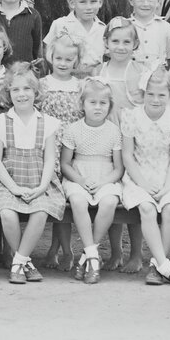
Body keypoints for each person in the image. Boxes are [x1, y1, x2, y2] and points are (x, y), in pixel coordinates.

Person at [120, 67, 170, 287]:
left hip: (168, 175)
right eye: (151, 94)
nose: (155, 99)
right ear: (143, 93)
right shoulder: (131, 116)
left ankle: (156, 265)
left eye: (161, 95)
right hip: (139, 174)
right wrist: (143, 184)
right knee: (147, 208)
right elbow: (127, 156)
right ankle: (165, 267)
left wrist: (166, 187)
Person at [0, 63, 65, 284]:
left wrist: (42, 186)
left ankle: (18, 261)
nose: (21, 94)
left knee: (40, 211)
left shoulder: (48, 123)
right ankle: (25, 262)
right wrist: (13, 187)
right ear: (8, 93)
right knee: (7, 213)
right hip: (9, 181)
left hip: (39, 181)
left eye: (27, 89)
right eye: (15, 89)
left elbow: (50, 159)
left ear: (36, 91)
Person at [60, 78, 124, 285]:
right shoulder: (73, 129)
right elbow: (65, 164)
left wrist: (104, 182)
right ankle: (93, 256)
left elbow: (118, 168)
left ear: (109, 106)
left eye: (103, 103)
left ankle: (88, 255)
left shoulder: (114, 131)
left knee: (110, 202)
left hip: (106, 177)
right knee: (77, 201)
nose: (98, 107)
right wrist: (79, 180)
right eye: (92, 102)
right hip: (79, 176)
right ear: (83, 104)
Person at [98, 16, 146, 273]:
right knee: (113, 194)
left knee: (133, 196)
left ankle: (136, 254)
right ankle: (115, 252)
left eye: (126, 42)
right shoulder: (99, 71)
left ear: (135, 44)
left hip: (133, 141)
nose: (120, 46)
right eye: (115, 41)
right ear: (106, 43)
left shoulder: (140, 72)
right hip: (107, 140)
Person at [38, 31, 84, 271]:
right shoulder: (42, 84)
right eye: (59, 58)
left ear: (76, 60)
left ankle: (61, 250)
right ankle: (61, 249)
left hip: (73, 149)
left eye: (69, 59)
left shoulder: (80, 86)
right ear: (51, 57)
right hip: (49, 149)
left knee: (68, 199)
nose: (63, 63)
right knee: (56, 199)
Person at [43, 0, 106, 76]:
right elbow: (47, 53)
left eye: (93, 1)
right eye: (83, 2)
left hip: (95, 82)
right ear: (72, 3)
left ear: (100, 2)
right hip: (66, 80)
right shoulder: (60, 25)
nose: (89, 7)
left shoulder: (103, 29)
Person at [127, 0, 170, 71]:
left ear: (158, 1)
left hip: (157, 79)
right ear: (131, 0)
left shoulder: (166, 28)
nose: (145, 4)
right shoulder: (124, 27)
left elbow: (169, 60)